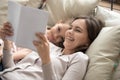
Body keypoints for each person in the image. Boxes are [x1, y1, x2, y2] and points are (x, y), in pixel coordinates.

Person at [0, 16, 104, 80]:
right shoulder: (50, 47)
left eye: (78, 30)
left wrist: (46, 60)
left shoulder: (79, 59)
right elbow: (9, 68)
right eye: (71, 27)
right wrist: (7, 41)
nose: (70, 32)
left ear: (87, 43)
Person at [0, 19, 72, 62]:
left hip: (9, 57)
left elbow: (24, 53)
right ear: (58, 22)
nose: (56, 35)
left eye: (61, 39)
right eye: (58, 29)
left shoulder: (49, 49)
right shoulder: (38, 25)